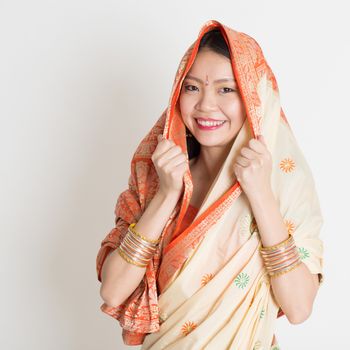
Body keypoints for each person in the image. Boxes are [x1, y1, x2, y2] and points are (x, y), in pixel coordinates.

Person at [96, 19, 324, 350]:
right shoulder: (155, 176)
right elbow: (113, 291)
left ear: (254, 97)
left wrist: (261, 196)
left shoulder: (285, 186)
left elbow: (299, 307)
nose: (205, 105)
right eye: (192, 87)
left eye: (226, 89)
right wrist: (166, 196)